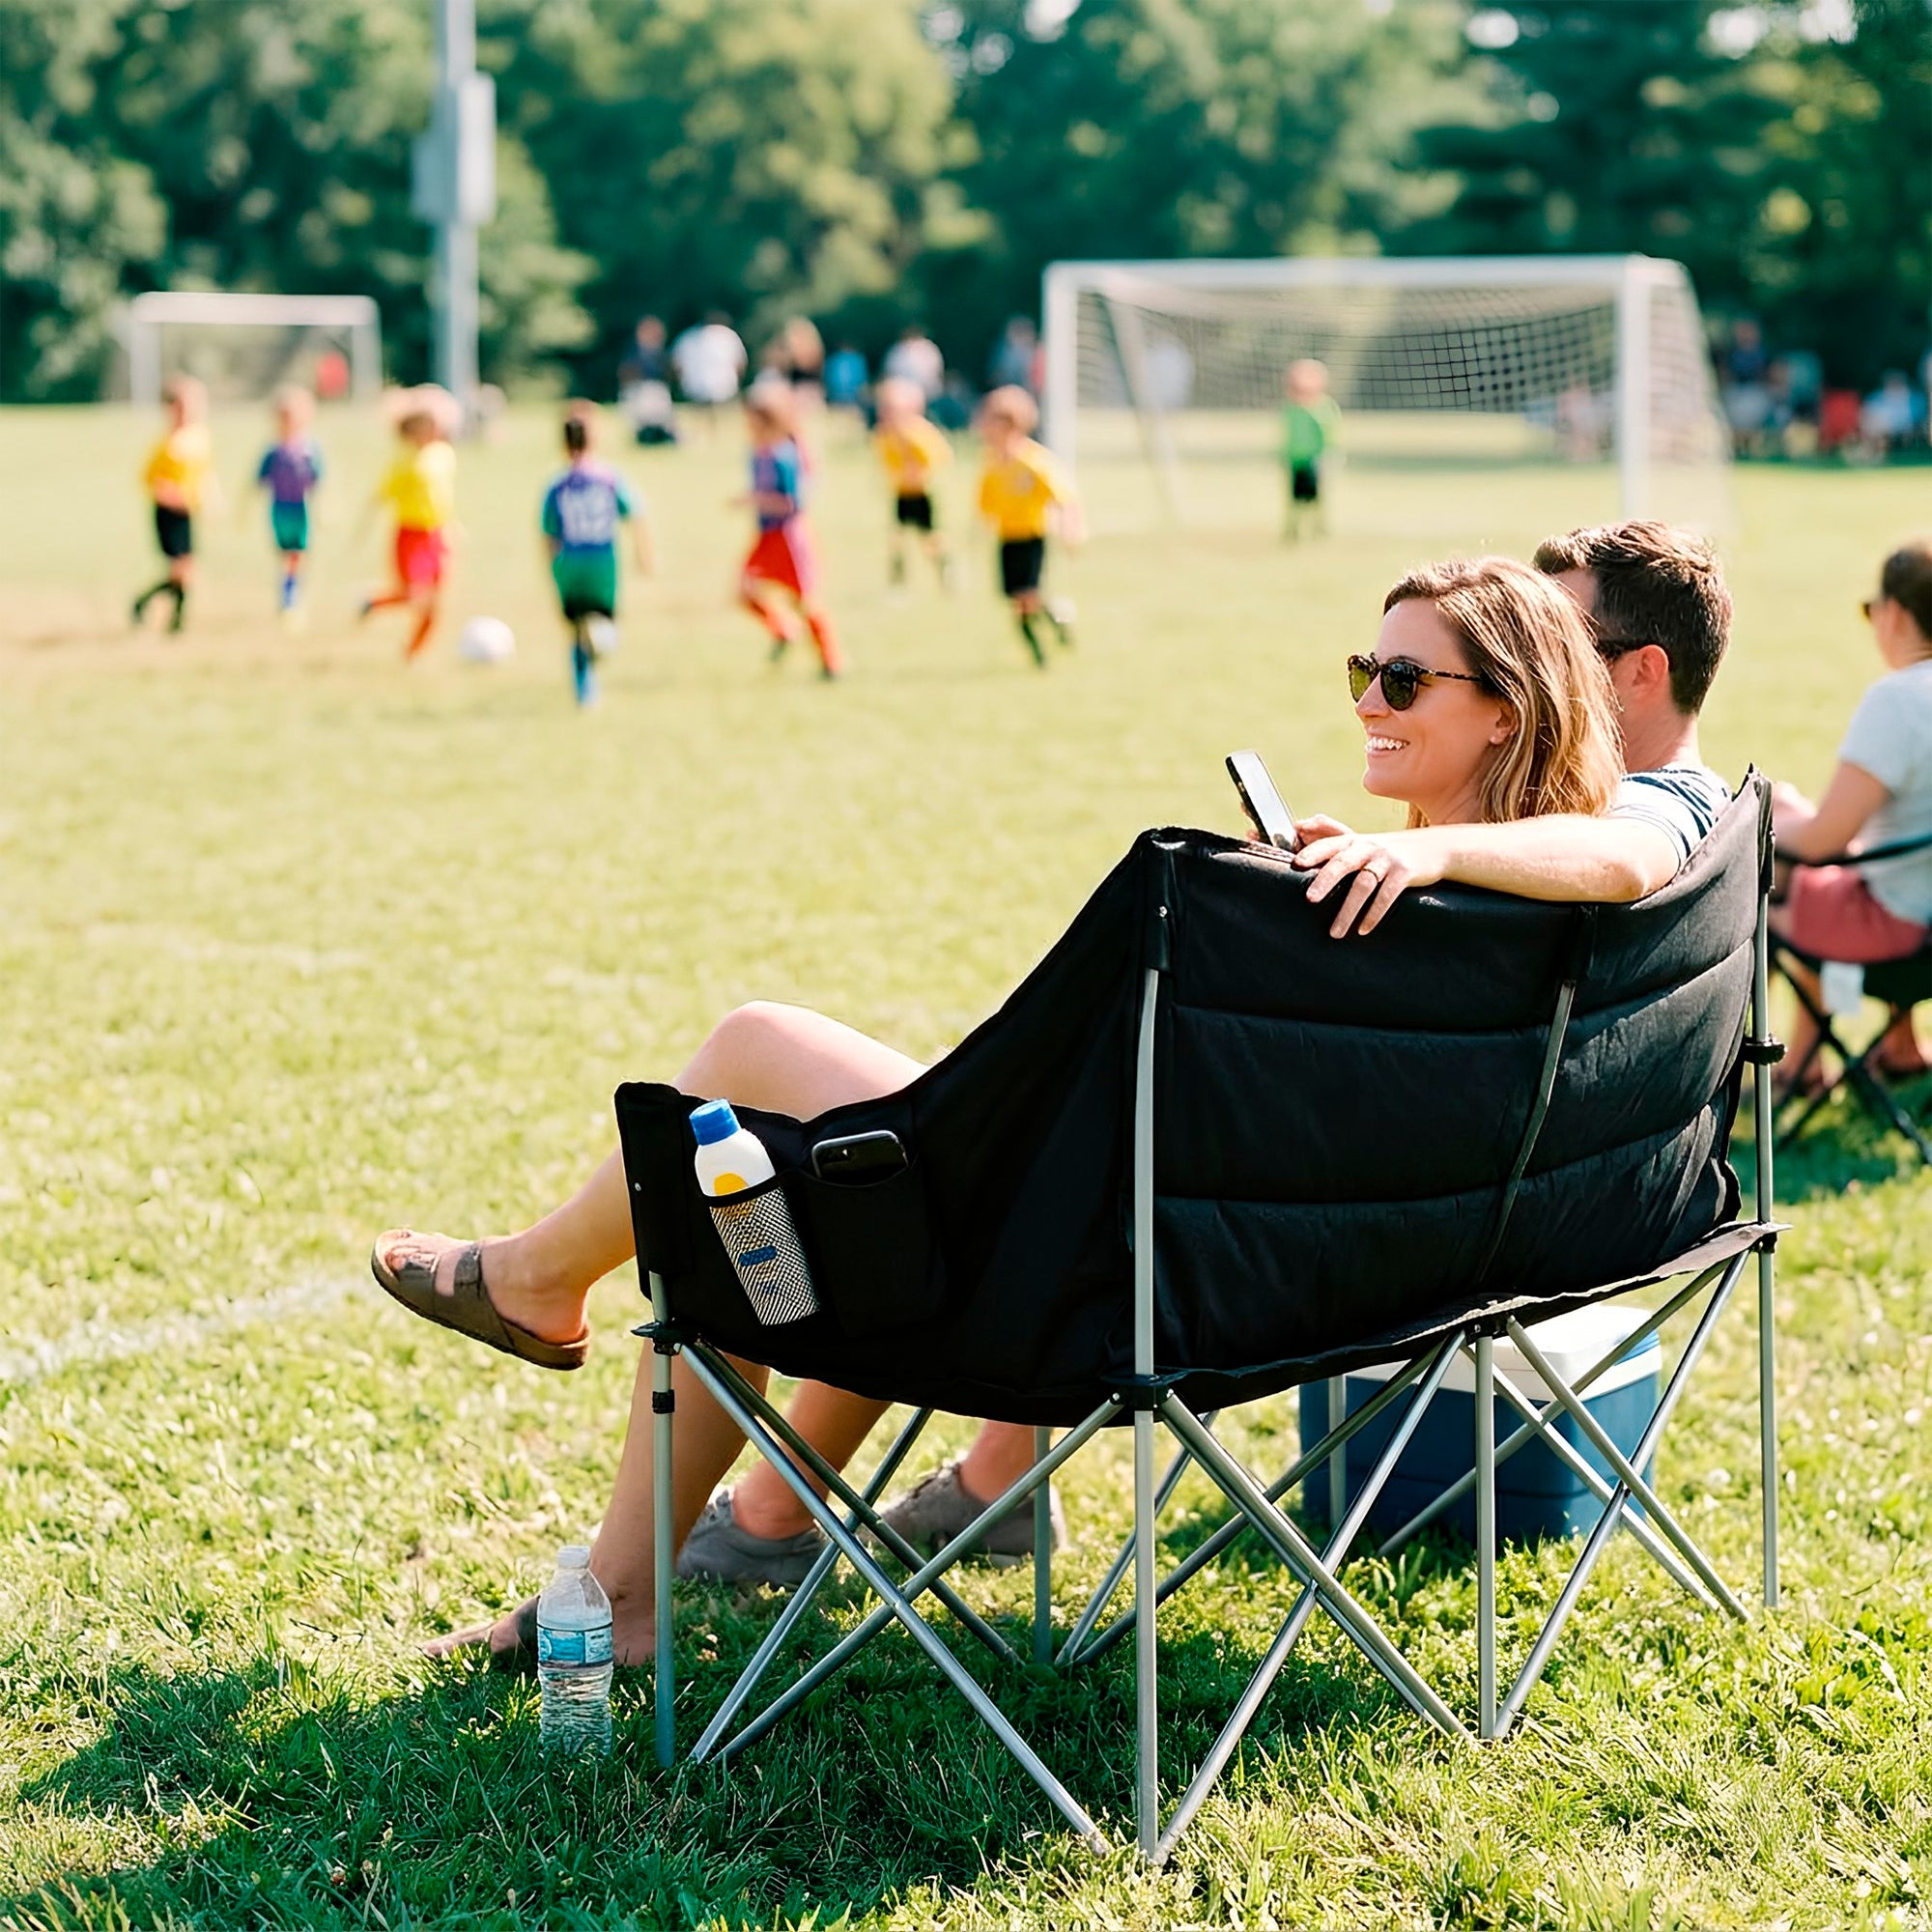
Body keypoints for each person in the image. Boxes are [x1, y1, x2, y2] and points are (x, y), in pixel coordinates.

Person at [374, 554, 1668, 1670]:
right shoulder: (1534, 930)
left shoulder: (1450, 892)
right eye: (1362, 673)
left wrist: (1421, 850)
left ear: (1504, 713)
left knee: (750, 1104)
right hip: (1300, 1281)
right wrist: (1405, 855)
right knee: (813, 1169)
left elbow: (1618, 847)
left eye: (1403, 683)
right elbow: (1623, 852)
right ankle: (748, 1512)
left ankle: (560, 1343)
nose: (1369, 704)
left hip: (1107, 1295)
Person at [1768, 539, 1932, 1084]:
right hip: (1919, 905)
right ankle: (1899, 1049)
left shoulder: (1900, 701)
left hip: (1903, 936)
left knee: (1766, 892)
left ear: (1896, 613)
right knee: (1807, 840)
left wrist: (1753, 827)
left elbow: (1822, 839)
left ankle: (1797, 1066)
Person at [541, 403, 655, 708]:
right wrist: (644, 555)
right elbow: (636, 514)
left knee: (576, 629)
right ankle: (602, 640)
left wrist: (552, 568)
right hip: (602, 561)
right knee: (604, 620)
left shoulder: (557, 484)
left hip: (569, 562)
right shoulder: (608, 478)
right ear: (595, 439)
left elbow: (548, 532)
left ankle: (585, 693)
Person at [737, 383, 843, 679]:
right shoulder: (756, 453)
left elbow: (794, 502)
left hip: (789, 537)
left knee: (804, 601)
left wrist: (756, 500)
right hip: (766, 536)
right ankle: (784, 630)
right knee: (743, 590)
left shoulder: (785, 455)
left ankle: (832, 660)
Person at [975, 385, 1082, 668]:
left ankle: (1042, 650)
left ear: (1012, 425)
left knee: (1027, 595)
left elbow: (1063, 496)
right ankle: (1048, 635)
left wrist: (1069, 526)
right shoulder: (993, 463)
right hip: (1006, 537)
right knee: (1016, 599)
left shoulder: (1034, 461)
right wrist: (980, 524)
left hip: (1032, 536)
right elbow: (986, 499)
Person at [359, 391, 457, 661]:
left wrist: (451, 527)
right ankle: (373, 602)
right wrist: (363, 529)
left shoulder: (444, 454)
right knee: (414, 596)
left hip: (437, 535)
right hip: (410, 536)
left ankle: (411, 654)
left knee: (436, 603)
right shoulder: (403, 463)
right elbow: (380, 496)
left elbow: (444, 497)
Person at [132, 376, 216, 634]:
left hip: (188, 512)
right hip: (169, 513)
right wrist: (173, 497)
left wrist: (212, 499)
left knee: (187, 571)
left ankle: (175, 621)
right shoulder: (166, 445)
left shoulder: (200, 437)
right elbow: (150, 481)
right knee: (182, 570)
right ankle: (144, 603)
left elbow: (206, 473)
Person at [872, 376, 952, 591]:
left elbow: (936, 457)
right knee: (896, 537)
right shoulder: (885, 435)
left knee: (929, 538)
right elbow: (885, 460)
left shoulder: (918, 433)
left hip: (921, 493)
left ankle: (945, 568)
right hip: (901, 493)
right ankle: (898, 580)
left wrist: (917, 470)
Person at [255, 384, 324, 622]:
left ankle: (292, 594)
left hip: (300, 509)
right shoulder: (273, 451)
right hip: (280, 509)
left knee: (298, 554)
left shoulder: (310, 450)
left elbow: (317, 481)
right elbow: (258, 481)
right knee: (286, 554)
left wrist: (323, 509)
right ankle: (288, 594)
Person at [1280, 359, 1340, 542]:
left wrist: (1328, 456)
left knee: (1316, 498)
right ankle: (1292, 529)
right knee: (1294, 498)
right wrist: (1285, 455)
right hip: (1295, 460)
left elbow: (1329, 433)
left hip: (1314, 460)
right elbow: (1288, 434)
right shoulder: (1290, 408)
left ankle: (1319, 528)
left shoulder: (1323, 406)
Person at [670, 313, 748, 428]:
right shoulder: (727, 336)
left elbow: (676, 365)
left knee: (701, 414)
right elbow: (739, 363)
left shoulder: (687, 337)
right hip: (722, 385)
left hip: (696, 386)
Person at [882, 323, 944, 404]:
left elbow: (938, 373)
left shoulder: (930, 349)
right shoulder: (896, 350)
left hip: (926, 395)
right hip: (902, 397)